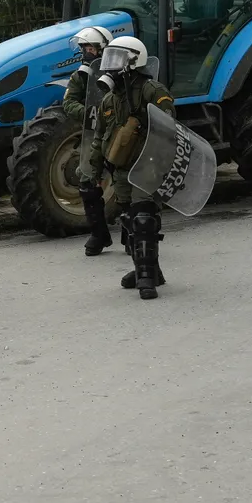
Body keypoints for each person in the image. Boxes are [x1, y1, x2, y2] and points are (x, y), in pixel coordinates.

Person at [90, 36, 175, 300]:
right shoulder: (108, 101)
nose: (110, 67)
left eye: (117, 60)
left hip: (146, 165)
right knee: (129, 219)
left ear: (133, 61)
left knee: (143, 218)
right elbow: (98, 138)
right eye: (109, 59)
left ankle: (147, 277)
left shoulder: (151, 90)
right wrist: (94, 172)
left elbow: (168, 124)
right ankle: (147, 268)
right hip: (122, 169)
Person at [63, 25, 115, 256]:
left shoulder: (118, 71)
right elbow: (69, 102)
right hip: (94, 135)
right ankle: (98, 234)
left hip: (119, 136)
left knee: (125, 183)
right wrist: (88, 113)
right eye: (83, 47)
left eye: (90, 47)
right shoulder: (80, 77)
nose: (85, 52)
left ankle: (132, 231)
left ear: (102, 49)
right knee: (86, 183)